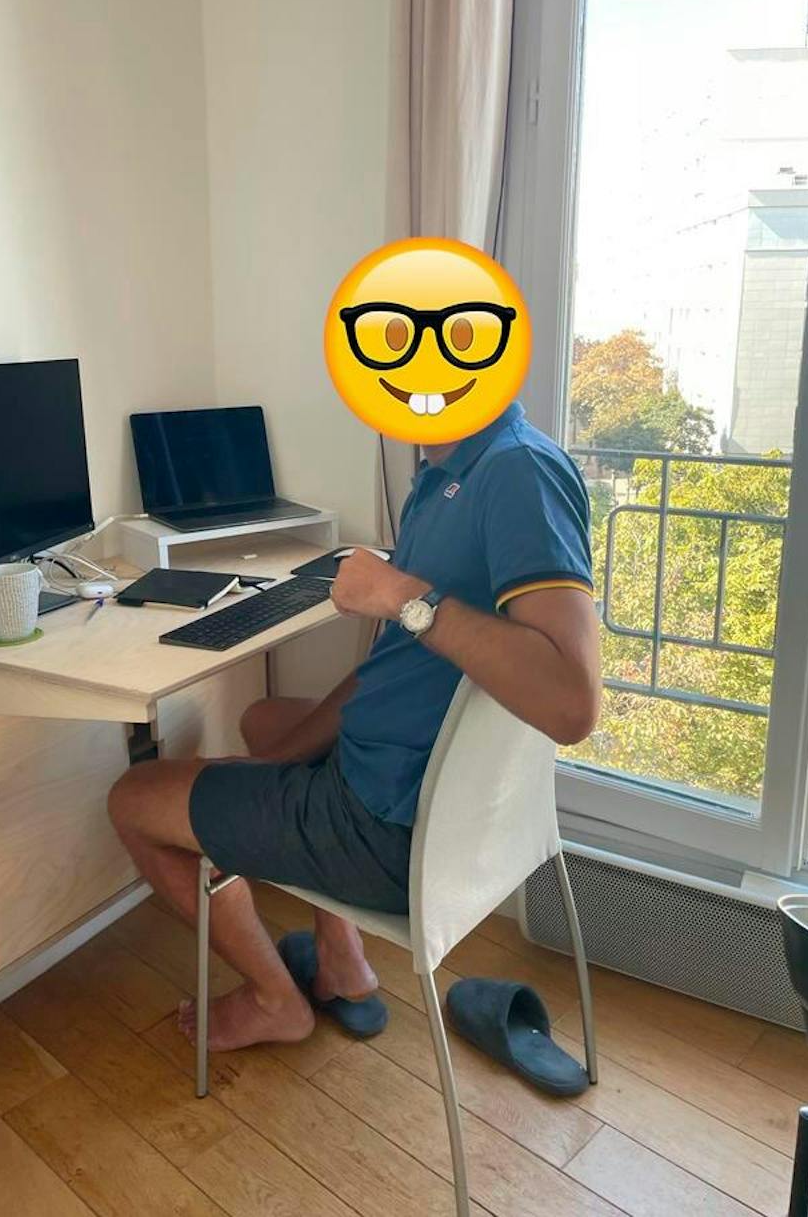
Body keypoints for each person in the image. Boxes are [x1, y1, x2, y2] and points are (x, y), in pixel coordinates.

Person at [107, 400, 601, 1051]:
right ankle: (341, 960)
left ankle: (275, 1001)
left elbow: (571, 702)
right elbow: (391, 667)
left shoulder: (517, 474)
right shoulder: (454, 469)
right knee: (264, 720)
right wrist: (271, 763)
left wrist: (401, 596)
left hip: (387, 828)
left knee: (133, 798)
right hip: (427, 791)